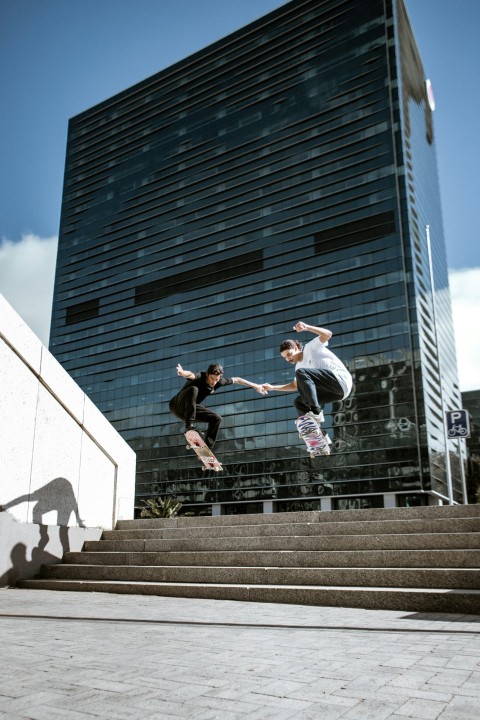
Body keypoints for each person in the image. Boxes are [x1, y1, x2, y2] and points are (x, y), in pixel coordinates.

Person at [263, 321, 352, 452]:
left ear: (297, 348)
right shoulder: (299, 368)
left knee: (302, 373)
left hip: (340, 380)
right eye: (285, 358)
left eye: (289, 354)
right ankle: (320, 436)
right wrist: (273, 387)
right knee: (299, 401)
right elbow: (295, 385)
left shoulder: (311, 348)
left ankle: (316, 412)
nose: (288, 359)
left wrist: (307, 328)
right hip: (336, 393)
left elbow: (328, 334)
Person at [169, 362, 266, 449]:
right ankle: (189, 427)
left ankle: (206, 449)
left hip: (188, 410)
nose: (213, 382)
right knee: (194, 389)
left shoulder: (219, 382)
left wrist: (255, 385)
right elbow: (191, 375)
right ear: (207, 374)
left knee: (216, 418)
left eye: (217, 379)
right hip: (177, 405)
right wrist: (182, 373)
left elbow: (237, 380)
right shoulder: (201, 376)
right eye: (212, 378)